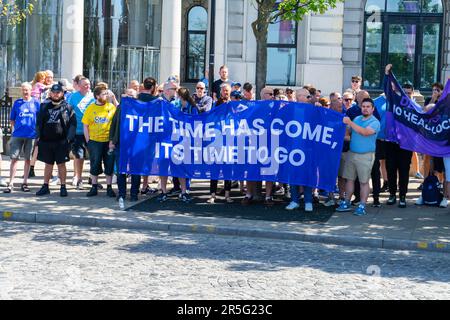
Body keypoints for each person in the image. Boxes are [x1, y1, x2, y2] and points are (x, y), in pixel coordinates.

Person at [110, 77, 159, 207]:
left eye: (133, 95)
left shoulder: (140, 107)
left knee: (135, 169)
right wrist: (112, 140)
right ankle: (121, 193)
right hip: (122, 142)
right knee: (121, 169)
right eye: (128, 95)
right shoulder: (121, 107)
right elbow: (114, 124)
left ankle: (133, 194)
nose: (130, 97)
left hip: (137, 144)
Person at [337, 98, 380, 216]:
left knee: (363, 182)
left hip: (366, 156)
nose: (365, 108)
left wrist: (350, 123)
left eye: (368, 107)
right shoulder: (356, 119)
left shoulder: (375, 122)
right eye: (363, 106)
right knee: (349, 180)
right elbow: (348, 133)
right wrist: (342, 127)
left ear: (372, 109)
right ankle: (346, 202)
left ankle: (362, 206)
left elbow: (365, 132)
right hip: (352, 153)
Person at [35, 84, 76, 197]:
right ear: (50, 93)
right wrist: (38, 136)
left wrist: (68, 139)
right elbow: (38, 123)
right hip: (46, 141)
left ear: (62, 94)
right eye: (54, 92)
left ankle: (63, 187)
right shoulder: (44, 106)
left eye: (58, 92)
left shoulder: (68, 107)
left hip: (61, 141)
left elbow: (73, 124)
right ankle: (45, 186)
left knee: (61, 164)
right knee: (48, 164)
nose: (56, 94)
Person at [384, 64, 413, 208]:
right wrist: (387, 74)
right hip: (391, 142)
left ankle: (402, 196)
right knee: (391, 169)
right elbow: (387, 89)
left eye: (409, 93)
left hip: (406, 145)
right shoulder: (394, 102)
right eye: (405, 92)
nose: (406, 94)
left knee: (404, 171)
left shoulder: (415, 109)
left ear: (412, 94)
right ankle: (391, 195)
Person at [4, 82, 40, 193]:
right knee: (14, 159)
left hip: (31, 135)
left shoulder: (36, 103)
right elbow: (12, 120)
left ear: (31, 91)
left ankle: (24, 182)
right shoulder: (17, 103)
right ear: (21, 91)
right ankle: (11, 183)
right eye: (23, 90)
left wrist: (37, 133)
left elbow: (39, 120)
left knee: (28, 159)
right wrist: (18, 129)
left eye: (27, 90)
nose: (25, 92)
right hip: (18, 135)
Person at [82, 85, 117, 198]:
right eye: (104, 94)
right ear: (97, 96)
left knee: (109, 164)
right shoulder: (91, 108)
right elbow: (85, 125)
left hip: (108, 141)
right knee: (95, 164)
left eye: (107, 93)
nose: (106, 96)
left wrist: (113, 140)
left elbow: (117, 120)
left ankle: (109, 187)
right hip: (95, 141)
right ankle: (94, 186)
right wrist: (88, 141)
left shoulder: (111, 107)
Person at [286, 89, 315, 212]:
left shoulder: (313, 110)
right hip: (292, 147)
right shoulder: (289, 109)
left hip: (308, 148)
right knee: (293, 176)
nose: (309, 98)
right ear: (299, 97)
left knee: (307, 175)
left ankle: (308, 201)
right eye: (306, 96)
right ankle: (294, 200)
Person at [208, 84, 233, 204]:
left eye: (227, 90)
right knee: (215, 170)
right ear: (221, 92)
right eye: (223, 90)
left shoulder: (234, 105)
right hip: (216, 142)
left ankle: (227, 195)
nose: (225, 92)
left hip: (228, 142)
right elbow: (210, 118)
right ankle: (213, 195)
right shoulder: (215, 104)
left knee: (227, 170)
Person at [68, 77, 95, 189]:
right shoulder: (73, 96)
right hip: (78, 131)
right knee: (79, 156)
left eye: (88, 84)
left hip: (93, 131)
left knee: (94, 156)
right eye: (85, 84)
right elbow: (68, 110)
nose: (87, 86)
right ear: (79, 85)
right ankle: (78, 178)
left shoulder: (93, 96)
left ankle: (93, 178)